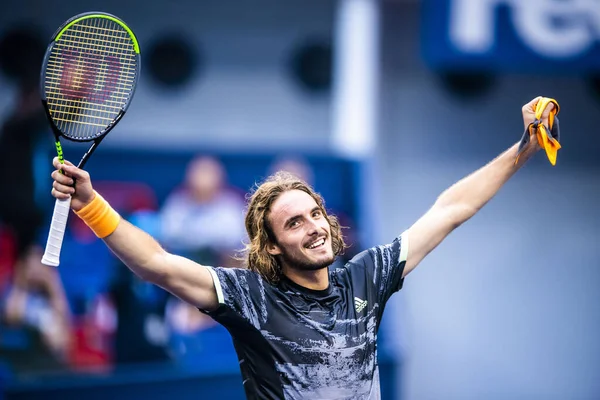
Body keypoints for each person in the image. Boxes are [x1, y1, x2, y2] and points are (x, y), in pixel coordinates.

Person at [48, 97, 556, 399]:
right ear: (270, 245)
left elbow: (450, 208)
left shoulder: (367, 276)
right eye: (294, 223)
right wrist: (91, 204)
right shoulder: (249, 297)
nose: (314, 227)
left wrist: (524, 147)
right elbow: (157, 264)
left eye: (316, 213)